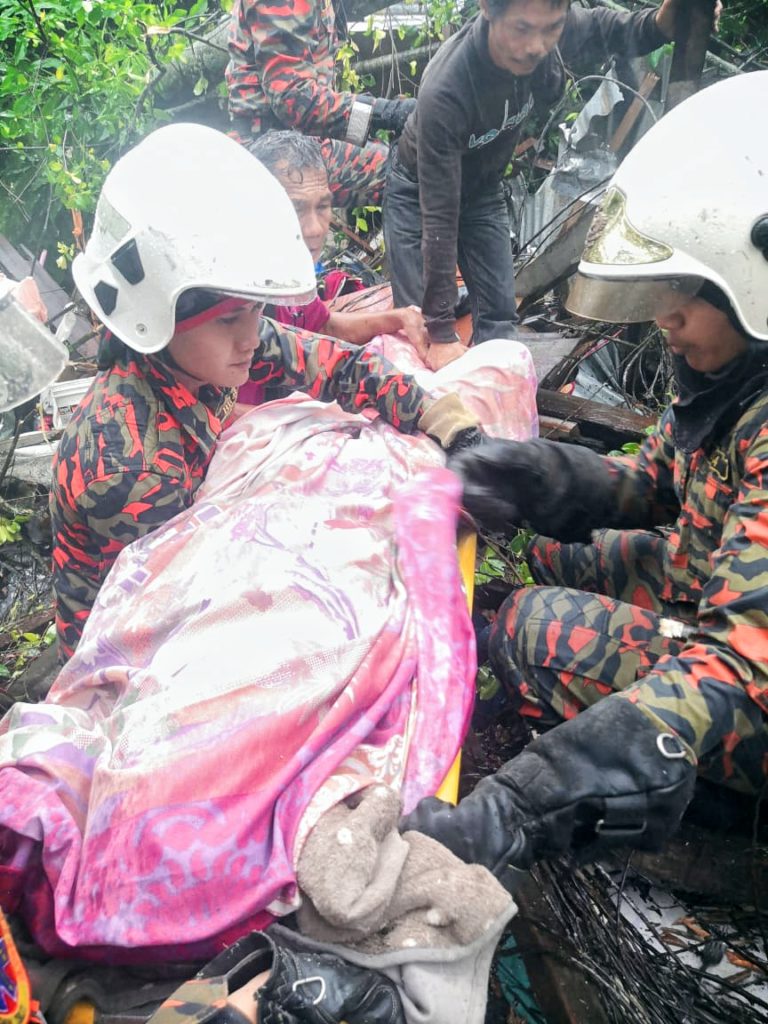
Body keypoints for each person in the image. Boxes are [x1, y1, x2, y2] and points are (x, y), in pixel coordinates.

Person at [400, 69, 768, 873]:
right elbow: (653, 486)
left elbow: (734, 670)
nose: (666, 321)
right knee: (546, 553)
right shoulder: (736, 375)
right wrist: (529, 474)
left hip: (749, 686)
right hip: (712, 579)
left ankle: (699, 806)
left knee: (530, 626)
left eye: (685, 298)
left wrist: (518, 806)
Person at [50, 122, 480, 662]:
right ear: (159, 319)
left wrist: (442, 416)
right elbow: (167, 623)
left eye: (255, 313)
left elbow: (335, 365)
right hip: (121, 651)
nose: (253, 337)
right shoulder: (128, 466)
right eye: (232, 319)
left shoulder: (204, 351)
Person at [383, 0, 691, 371]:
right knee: (420, 332)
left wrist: (658, 26)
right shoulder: (447, 89)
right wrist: (442, 332)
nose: (537, 46)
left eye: (551, 30)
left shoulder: (550, 25)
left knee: (500, 323)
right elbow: (439, 218)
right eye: (522, 29)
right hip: (419, 196)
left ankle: (494, 418)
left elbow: (610, 30)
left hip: (482, 190)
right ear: (487, 10)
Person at [246, 130, 428, 355]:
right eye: (295, 209)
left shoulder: (289, 277)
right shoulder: (235, 298)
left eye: (322, 206)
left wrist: (399, 318)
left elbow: (322, 324)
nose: (314, 229)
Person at [226, 0, 415, 208]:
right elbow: (294, 101)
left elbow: (318, 117)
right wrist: (388, 114)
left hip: (303, 139)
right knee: (412, 173)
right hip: (270, 152)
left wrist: (376, 125)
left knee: (406, 155)